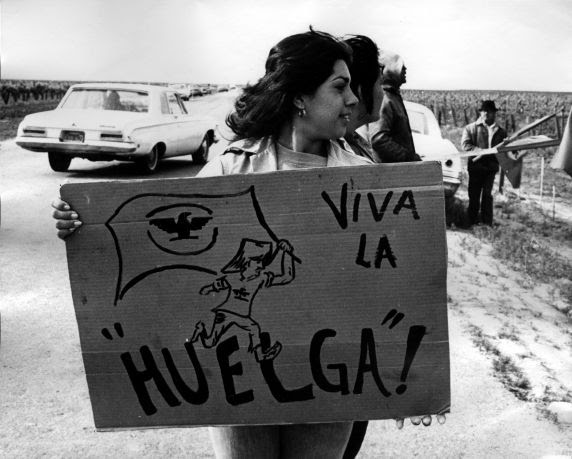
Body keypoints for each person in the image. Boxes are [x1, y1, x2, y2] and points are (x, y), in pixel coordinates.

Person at [53, 28, 372, 459]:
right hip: (236, 381)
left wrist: (409, 380)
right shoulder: (230, 171)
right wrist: (83, 225)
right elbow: (156, 242)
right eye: (340, 86)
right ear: (300, 96)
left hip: (329, 378)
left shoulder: (366, 180)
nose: (353, 99)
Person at [363, 50, 421, 163]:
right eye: (400, 66)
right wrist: (408, 157)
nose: (405, 69)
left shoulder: (392, 97)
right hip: (391, 170)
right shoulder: (385, 99)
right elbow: (378, 139)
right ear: (389, 70)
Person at [462, 100, 506, 226]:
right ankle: (471, 222)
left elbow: (504, 150)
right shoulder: (470, 128)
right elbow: (465, 145)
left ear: (494, 113)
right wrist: (480, 151)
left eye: (489, 111)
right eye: (484, 111)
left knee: (487, 195)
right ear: (480, 113)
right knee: (474, 195)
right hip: (475, 167)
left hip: (490, 168)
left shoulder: (501, 132)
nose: (486, 113)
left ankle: (487, 224)